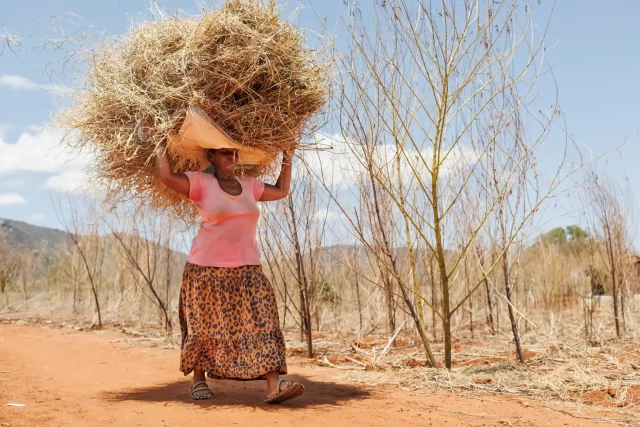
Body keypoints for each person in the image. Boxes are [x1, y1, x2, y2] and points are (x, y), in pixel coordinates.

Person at [146, 121, 303, 404]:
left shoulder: (249, 186)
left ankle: (273, 387)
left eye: (233, 153)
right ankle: (198, 380)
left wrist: (288, 157)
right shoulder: (200, 182)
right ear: (211, 158)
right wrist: (160, 141)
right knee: (204, 326)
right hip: (206, 268)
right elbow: (167, 177)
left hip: (248, 269)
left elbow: (281, 190)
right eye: (223, 153)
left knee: (263, 322)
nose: (230, 158)